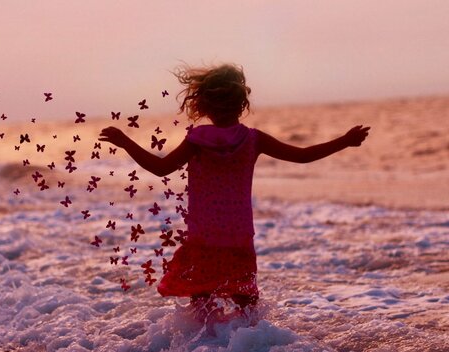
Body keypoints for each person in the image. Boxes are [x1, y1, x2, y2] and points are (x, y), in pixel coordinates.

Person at [98, 63, 369, 315]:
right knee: (246, 304)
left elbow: (160, 168)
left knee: (201, 305)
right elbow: (303, 156)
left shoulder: (197, 140)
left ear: (203, 105)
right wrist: (344, 141)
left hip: (204, 236)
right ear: (242, 104)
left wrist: (125, 142)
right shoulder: (252, 139)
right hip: (238, 236)